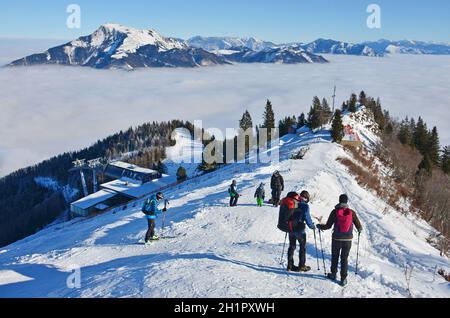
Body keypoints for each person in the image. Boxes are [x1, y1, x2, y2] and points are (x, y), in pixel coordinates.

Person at [317, 194, 363, 286]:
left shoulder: (334, 212)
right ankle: (343, 279)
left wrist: (319, 226)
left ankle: (333, 274)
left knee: (335, 256)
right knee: (344, 258)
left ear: (339, 201)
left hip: (336, 238)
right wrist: (359, 229)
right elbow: (359, 225)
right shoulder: (352, 212)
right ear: (346, 201)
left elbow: (328, 226)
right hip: (348, 240)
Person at [285, 191, 315, 272]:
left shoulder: (292, 202)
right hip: (300, 230)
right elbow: (307, 217)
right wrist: (312, 226)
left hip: (290, 229)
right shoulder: (305, 205)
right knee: (302, 247)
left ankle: (290, 266)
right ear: (306, 198)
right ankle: (301, 266)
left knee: (292, 247)